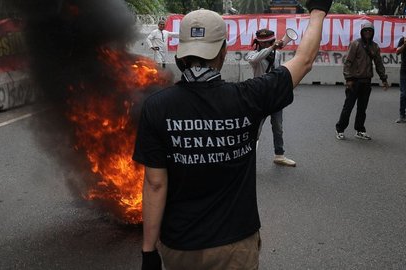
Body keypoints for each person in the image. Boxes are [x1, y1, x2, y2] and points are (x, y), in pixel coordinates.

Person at [134, 1, 332, 269]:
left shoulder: (156, 107)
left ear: (181, 52)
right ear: (223, 52)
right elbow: (304, 60)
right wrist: (318, 11)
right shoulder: (249, 98)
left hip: (180, 245)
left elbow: (155, 185)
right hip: (235, 244)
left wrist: (148, 251)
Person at [246, 29, 296, 167]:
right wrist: (272, 47)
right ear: (258, 43)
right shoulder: (253, 54)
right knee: (256, 128)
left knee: (278, 126)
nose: (265, 44)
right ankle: (248, 157)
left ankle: (279, 155)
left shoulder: (277, 54)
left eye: (268, 42)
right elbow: (256, 59)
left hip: (274, 95)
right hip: (259, 95)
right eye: (262, 43)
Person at [335, 22, 389, 141]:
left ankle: (359, 130)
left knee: (362, 108)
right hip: (354, 81)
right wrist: (348, 79)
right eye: (365, 30)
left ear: (373, 32)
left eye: (370, 30)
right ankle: (340, 129)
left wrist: (384, 79)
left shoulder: (375, 47)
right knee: (348, 107)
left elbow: (379, 63)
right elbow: (348, 62)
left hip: (366, 81)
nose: (367, 32)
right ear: (362, 32)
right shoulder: (355, 44)